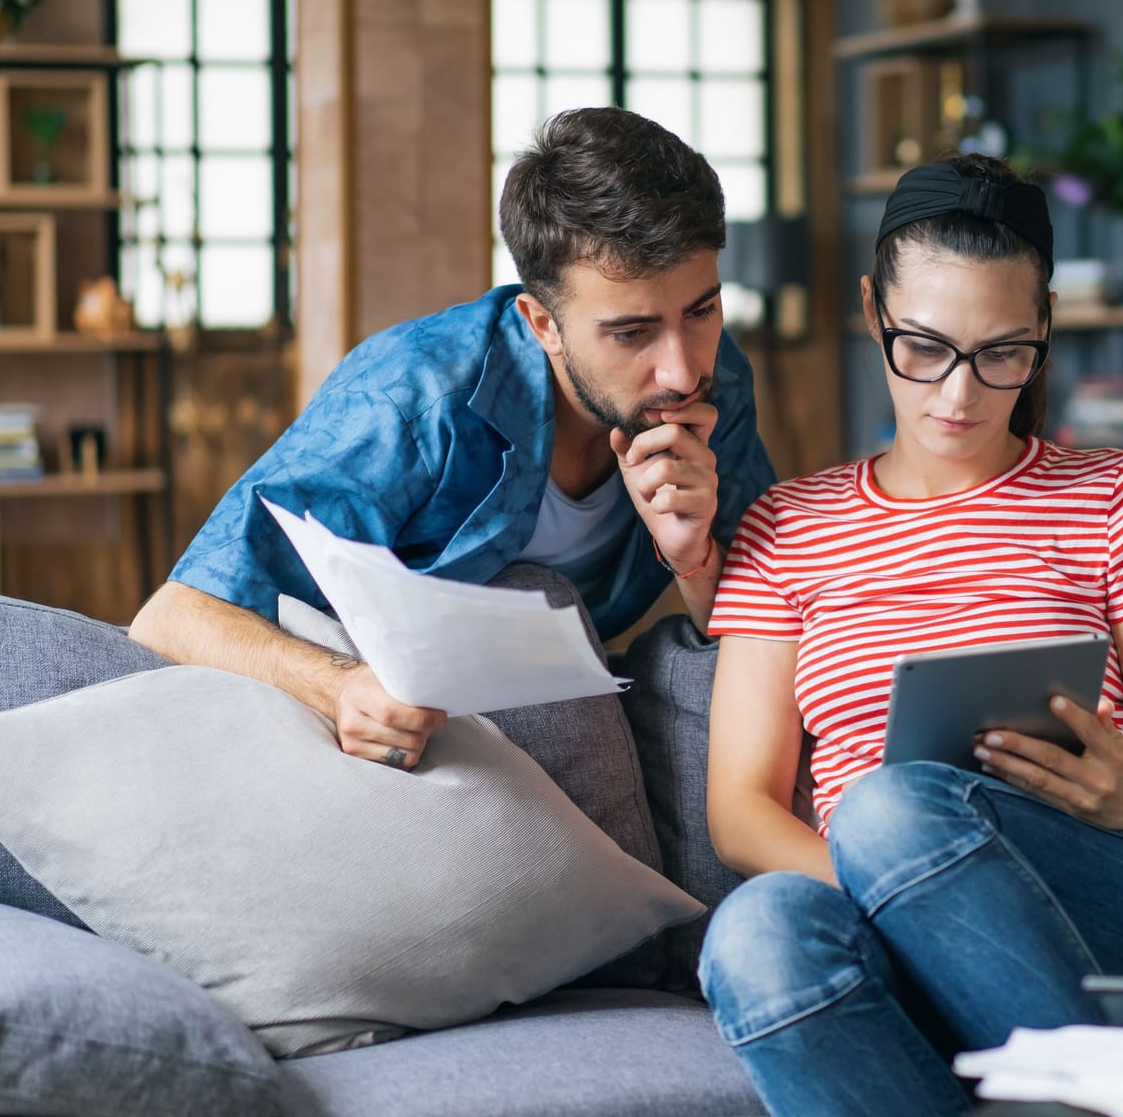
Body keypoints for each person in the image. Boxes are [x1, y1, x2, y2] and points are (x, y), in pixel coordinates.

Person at [697, 155, 1123, 1117]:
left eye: (1003, 352)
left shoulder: (1118, 495)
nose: (959, 394)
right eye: (925, 346)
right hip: (888, 901)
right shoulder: (787, 526)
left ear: (1043, 332)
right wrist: (897, 893)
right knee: (756, 930)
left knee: (885, 808)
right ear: (875, 310)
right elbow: (741, 811)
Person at [129, 107, 776, 771]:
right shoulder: (415, 394)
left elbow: (768, 622)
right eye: (631, 333)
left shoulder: (714, 379)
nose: (682, 368)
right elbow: (175, 615)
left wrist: (693, 557)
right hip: (382, 719)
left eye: (701, 310)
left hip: (562, 698)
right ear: (542, 324)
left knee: (722, 677)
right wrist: (340, 686)